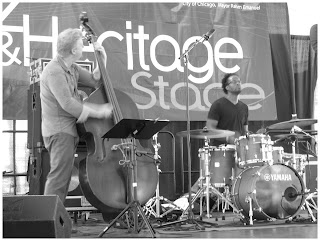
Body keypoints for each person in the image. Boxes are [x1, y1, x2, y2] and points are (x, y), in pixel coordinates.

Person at [40, 28, 113, 203]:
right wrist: (99, 111)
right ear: (73, 50)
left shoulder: (71, 67)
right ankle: (47, 222)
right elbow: (67, 103)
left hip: (67, 131)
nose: (83, 47)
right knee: (59, 178)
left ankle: (55, 219)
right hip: (59, 132)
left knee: (63, 179)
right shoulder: (54, 71)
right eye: (81, 45)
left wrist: (102, 59)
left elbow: (95, 80)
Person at [206, 73, 249, 145]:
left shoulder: (244, 107)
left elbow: (245, 131)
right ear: (227, 87)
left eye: (239, 81)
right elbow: (210, 128)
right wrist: (227, 138)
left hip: (239, 149)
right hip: (221, 150)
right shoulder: (218, 105)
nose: (238, 83)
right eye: (234, 82)